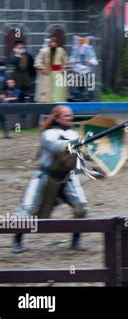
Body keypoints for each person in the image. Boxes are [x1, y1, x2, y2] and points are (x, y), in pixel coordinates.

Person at [11, 106, 90, 253]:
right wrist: (76, 143)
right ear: (57, 117)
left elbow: (84, 155)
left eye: (70, 115)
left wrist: (88, 148)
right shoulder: (48, 134)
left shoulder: (74, 133)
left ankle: (76, 240)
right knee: (28, 209)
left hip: (67, 178)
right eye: (66, 115)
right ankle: (17, 239)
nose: (69, 118)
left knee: (82, 207)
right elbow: (56, 146)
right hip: (45, 177)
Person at [34, 37, 68, 102]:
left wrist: (64, 68)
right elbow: (37, 62)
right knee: (47, 92)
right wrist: (43, 68)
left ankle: (59, 104)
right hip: (47, 75)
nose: (53, 44)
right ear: (49, 43)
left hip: (58, 74)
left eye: (54, 42)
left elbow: (65, 61)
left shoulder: (61, 50)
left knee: (58, 92)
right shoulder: (43, 51)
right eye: (51, 42)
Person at [69, 36, 98, 101]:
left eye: (82, 40)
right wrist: (73, 61)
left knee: (89, 83)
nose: (81, 41)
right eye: (79, 40)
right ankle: (80, 97)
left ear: (84, 40)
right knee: (79, 83)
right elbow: (72, 57)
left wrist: (90, 62)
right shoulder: (75, 48)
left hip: (86, 68)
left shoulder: (88, 47)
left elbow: (93, 56)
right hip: (78, 68)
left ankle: (90, 98)